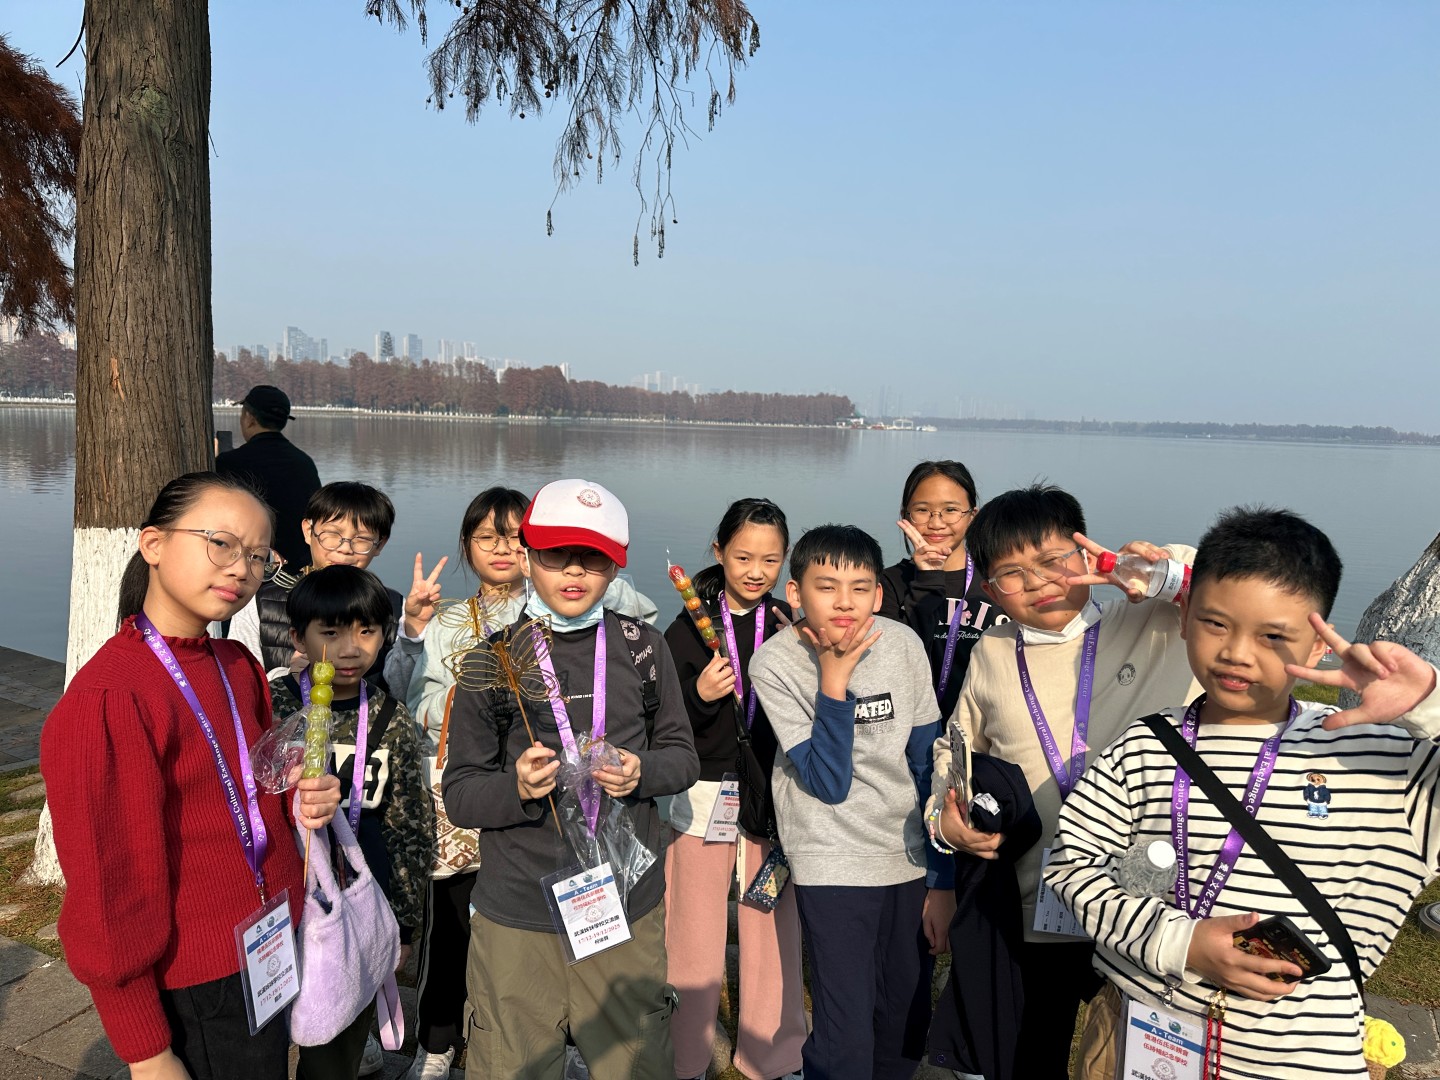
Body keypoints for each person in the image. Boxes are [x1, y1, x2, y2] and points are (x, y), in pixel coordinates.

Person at [1046, 507, 1440, 1080]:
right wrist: (1182, 944)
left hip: (1297, 1062)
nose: (1237, 652)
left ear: (1319, 645)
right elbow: (1071, 868)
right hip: (1132, 1036)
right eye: (1216, 623)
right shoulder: (1143, 745)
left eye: (1273, 636)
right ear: (1184, 618)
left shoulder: (1383, 759)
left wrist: (1428, 707)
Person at [41, 472, 342, 1080]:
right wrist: (147, 1052)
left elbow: (248, 794)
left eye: (257, 556)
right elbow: (108, 887)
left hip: (268, 941)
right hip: (198, 976)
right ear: (153, 544)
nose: (241, 569)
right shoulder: (112, 698)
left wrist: (300, 801)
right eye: (221, 543)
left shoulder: (235, 664)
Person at [928, 483, 1200, 1079]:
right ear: (989, 588)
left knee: (1143, 1058)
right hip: (1039, 902)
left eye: (1053, 560)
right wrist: (944, 822)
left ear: (1085, 550)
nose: (1038, 583)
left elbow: (1225, 589)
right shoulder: (994, 650)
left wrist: (1158, 577)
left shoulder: (1156, 620)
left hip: (1148, 902)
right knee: (1031, 1052)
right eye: (1011, 574)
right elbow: (954, 751)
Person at [442, 478, 700, 1080]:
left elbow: (682, 758)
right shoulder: (493, 659)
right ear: (527, 556)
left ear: (616, 566)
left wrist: (642, 772)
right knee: (510, 1064)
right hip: (516, 911)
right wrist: (515, 788)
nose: (575, 571)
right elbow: (460, 794)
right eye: (557, 554)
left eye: (594, 557)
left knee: (636, 1063)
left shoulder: (644, 648)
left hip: (624, 906)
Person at [750, 524, 954, 1080]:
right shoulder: (774, 664)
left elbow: (926, 763)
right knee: (845, 1026)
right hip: (831, 857)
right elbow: (828, 782)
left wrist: (942, 879)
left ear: (878, 594)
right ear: (796, 593)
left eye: (860, 588)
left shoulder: (903, 645)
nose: (845, 602)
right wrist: (833, 683)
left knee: (904, 1015)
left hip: (906, 855)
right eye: (826, 587)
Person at [268, 565, 435, 1080]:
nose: (349, 649)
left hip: (355, 908)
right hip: (279, 899)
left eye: (366, 631)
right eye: (331, 632)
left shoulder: (391, 719)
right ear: (298, 638)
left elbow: (410, 828)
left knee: (334, 1052)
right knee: (262, 1038)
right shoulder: (272, 705)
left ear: (385, 635)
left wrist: (404, 924)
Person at [662, 498, 806, 1080]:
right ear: (719, 552)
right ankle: (685, 1057)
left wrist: (808, 651)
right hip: (704, 793)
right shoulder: (686, 626)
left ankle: (774, 1055)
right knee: (690, 929)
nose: (756, 571)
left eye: (770, 560)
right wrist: (698, 696)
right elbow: (662, 723)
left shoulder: (789, 624)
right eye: (743, 556)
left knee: (772, 925)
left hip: (773, 795)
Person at [227, 481, 405, 689]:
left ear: (379, 544)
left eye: (361, 539)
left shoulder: (395, 607)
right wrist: (288, 678)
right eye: (332, 535)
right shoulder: (261, 600)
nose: (345, 548)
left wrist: (414, 634)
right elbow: (238, 683)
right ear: (308, 531)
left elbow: (404, 691)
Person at [879, 460, 1002, 719]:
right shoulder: (887, 583)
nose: (936, 523)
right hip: (911, 727)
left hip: (984, 727)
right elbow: (892, 661)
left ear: (973, 516)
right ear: (906, 516)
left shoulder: (997, 580)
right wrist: (928, 577)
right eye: (922, 510)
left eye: (951, 510)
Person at [215, 385, 321, 573]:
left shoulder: (229, 462)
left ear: (249, 418)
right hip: (297, 569)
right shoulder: (304, 463)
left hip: (244, 567)